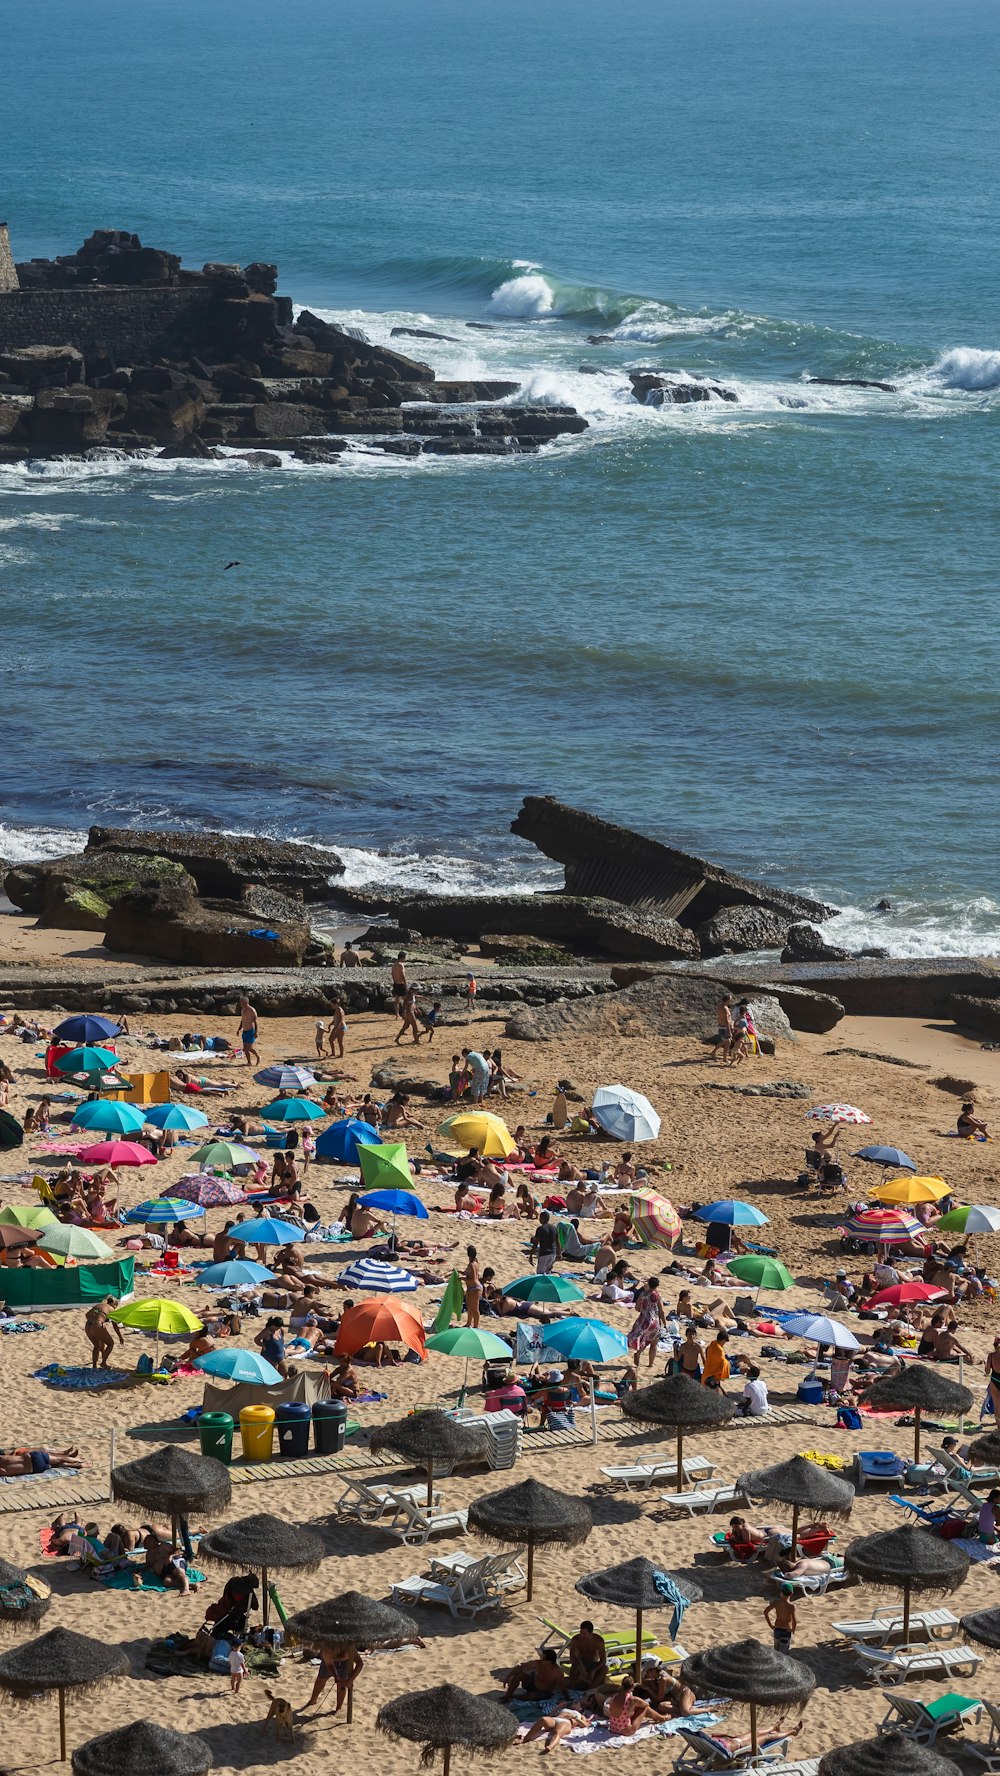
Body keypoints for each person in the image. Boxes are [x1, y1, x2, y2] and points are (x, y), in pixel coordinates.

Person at [305, 1642, 364, 1712]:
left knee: (342, 1684)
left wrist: (351, 1679)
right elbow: (330, 1665)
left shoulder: (349, 1647)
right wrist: (336, 1676)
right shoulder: (326, 1648)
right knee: (321, 1679)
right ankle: (313, 1700)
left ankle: (339, 1707)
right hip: (328, 1663)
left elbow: (360, 1663)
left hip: (345, 1663)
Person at [628, 1277, 667, 1369]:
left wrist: (644, 1310)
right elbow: (661, 1311)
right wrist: (665, 1323)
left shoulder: (642, 1294)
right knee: (653, 1344)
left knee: (645, 1340)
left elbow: (637, 1308)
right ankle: (650, 1363)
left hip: (642, 1321)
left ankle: (638, 1353)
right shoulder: (657, 1295)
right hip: (654, 1321)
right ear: (657, 1286)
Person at [503, 1652, 570, 1702]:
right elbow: (520, 1667)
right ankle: (507, 1697)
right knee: (519, 1675)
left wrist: (567, 1698)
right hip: (533, 1684)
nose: (541, 1660)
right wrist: (508, 1676)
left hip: (544, 1692)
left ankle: (516, 1696)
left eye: (543, 1659)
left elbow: (562, 1685)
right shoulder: (538, 1664)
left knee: (531, 1697)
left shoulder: (557, 1671)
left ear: (549, 1662)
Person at [522, 1708, 590, 1753]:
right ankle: (525, 1739)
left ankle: (550, 1746)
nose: (574, 1702)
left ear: (580, 1708)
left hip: (567, 1722)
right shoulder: (564, 1709)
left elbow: (585, 1725)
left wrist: (574, 1718)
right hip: (555, 1719)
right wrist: (558, 1707)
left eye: (576, 1702)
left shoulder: (580, 1715)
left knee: (558, 1731)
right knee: (543, 1719)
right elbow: (550, 1715)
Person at [84, 1297, 124, 1370]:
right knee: (110, 1343)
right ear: (113, 1304)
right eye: (115, 1306)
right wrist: (120, 1337)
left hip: (87, 1326)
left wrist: (96, 1319)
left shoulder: (99, 1305)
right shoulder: (111, 1309)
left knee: (97, 1346)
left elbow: (86, 1315)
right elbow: (115, 1325)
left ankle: (94, 1366)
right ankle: (103, 1362)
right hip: (97, 1325)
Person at [567, 1622, 607, 1690]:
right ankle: (572, 1687)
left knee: (605, 1669)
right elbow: (572, 1657)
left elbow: (603, 1659)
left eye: (585, 1634)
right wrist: (580, 1666)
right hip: (581, 1662)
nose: (582, 1636)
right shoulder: (576, 1640)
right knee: (574, 1667)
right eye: (581, 1633)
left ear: (591, 1633)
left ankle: (590, 1688)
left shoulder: (598, 1641)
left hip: (593, 1663)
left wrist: (593, 1670)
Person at [0, 1446, 82, 1475]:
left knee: (54, 1465)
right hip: (32, 1457)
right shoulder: (3, 1458)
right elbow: (13, 1452)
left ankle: (75, 1464)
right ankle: (78, 1460)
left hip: (35, 1468)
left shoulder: (3, 1470)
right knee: (57, 1458)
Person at [764, 1585, 797, 1651]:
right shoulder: (791, 1606)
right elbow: (794, 1620)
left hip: (777, 1629)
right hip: (786, 1630)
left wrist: (770, 1625)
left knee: (776, 1650)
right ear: (792, 1594)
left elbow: (765, 1612)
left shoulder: (776, 1602)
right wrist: (793, 1629)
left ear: (781, 1593)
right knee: (784, 1651)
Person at [529, 1211, 559, 1276]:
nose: (539, 1219)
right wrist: (559, 1253)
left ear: (543, 1218)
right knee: (548, 1273)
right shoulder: (554, 1228)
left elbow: (536, 1243)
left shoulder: (540, 1229)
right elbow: (557, 1242)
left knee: (540, 1274)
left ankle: (541, 1286)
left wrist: (531, 1255)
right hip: (553, 1254)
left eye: (540, 1218)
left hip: (544, 1254)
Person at [236, 996, 260, 1068]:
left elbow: (256, 1022)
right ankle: (249, 1062)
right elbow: (242, 1020)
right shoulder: (242, 1010)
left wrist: (256, 1032)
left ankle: (258, 1057)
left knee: (249, 1047)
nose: (240, 1004)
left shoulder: (252, 1010)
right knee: (245, 1048)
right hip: (245, 1031)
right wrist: (239, 1029)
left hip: (250, 1030)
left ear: (246, 1002)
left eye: (242, 1002)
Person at [713, 993, 734, 1063]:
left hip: (721, 1026)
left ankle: (713, 1052)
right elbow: (727, 1021)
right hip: (725, 1027)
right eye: (730, 999)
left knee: (724, 1041)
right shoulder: (725, 1008)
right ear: (727, 1000)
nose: (731, 1000)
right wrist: (729, 1030)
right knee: (728, 1042)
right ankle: (724, 1058)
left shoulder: (720, 1006)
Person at [464, 1244, 482, 1327]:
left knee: (475, 1309)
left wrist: (461, 1279)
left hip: (475, 1287)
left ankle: (476, 1326)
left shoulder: (472, 1264)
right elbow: (468, 1274)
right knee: (469, 1307)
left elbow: (474, 1279)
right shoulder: (474, 1262)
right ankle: (468, 1323)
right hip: (471, 1287)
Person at [391, 952, 408, 1017]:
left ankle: (397, 1014)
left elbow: (392, 974)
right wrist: (405, 984)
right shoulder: (401, 965)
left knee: (397, 1000)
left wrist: (395, 980)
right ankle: (404, 1013)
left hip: (396, 983)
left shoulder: (394, 964)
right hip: (401, 984)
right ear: (402, 957)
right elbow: (402, 975)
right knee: (405, 1000)